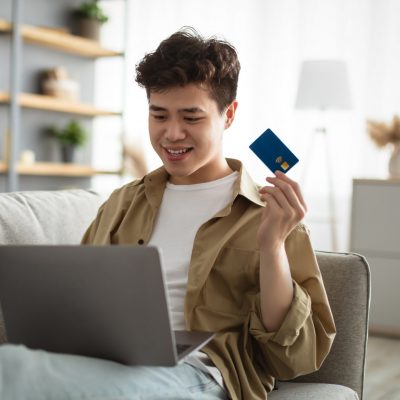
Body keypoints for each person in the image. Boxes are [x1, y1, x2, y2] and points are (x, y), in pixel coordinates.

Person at [0, 28, 335, 400]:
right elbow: (80, 300)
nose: (172, 134)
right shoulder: (122, 203)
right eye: (159, 115)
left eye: (191, 118)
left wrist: (272, 246)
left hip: (202, 372)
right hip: (110, 361)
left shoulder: (270, 214)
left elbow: (293, 358)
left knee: (13, 370)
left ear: (229, 115)